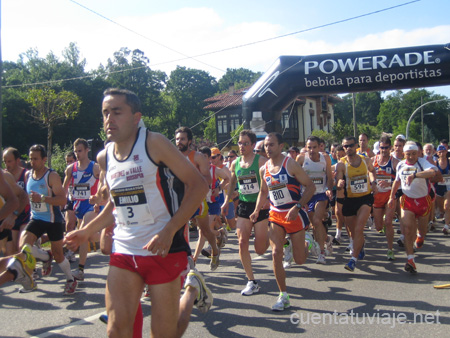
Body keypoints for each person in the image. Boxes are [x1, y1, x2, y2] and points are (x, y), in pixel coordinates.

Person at [65, 88, 212, 337]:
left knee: (166, 333)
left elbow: (198, 185)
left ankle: (192, 289)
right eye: (105, 113)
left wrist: (169, 231)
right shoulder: (104, 157)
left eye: (116, 112)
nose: (109, 119)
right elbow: (116, 205)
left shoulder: (154, 143)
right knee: (116, 330)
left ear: (136, 117)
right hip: (124, 249)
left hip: (163, 248)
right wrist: (86, 231)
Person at [249, 133, 316, 311]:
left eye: (271, 145)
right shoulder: (264, 169)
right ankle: (283, 296)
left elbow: (311, 186)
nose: (268, 149)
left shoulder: (290, 164)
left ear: (281, 146)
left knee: (300, 260)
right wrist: (256, 210)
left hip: (294, 215)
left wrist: (298, 207)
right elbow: (263, 192)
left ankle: (308, 243)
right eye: (265, 146)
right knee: (276, 253)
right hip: (276, 216)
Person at [22, 144, 77, 294]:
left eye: (36, 159)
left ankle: (70, 278)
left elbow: (62, 200)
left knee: (58, 254)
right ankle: (45, 257)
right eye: (30, 158)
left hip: (53, 220)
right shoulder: (28, 175)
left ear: (44, 159)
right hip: (37, 218)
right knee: (24, 246)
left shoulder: (51, 176)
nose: (32, 162)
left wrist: (43, 198)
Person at [221, 129, 269, 296]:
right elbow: (232, 183)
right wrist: (226, 202)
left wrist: (267, 201)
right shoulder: (235, 163)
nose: (241, 146)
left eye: (245, 143)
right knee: (242, 242)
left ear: (253, 144)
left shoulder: (262, 161)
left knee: (260, 250)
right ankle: (251, 281)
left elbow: (269, 183)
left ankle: (271, 237)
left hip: (261, 206)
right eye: (240, 143)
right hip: (244, 206)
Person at [174, 127, 221, 269]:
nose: (179, 142)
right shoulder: (172, 156)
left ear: (189, 141)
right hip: (179, 200)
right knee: (178, 229)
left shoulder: (198, 157)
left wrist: (193, 184)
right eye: (177, 139)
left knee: (205, 230)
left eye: (182, 139)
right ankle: (187, 260)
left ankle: (214, 249)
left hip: (196, 199)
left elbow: (207, 178)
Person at [388, 141, 437, 273]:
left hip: (423, 201)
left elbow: (432, 173)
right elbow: (397, 182)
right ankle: (410, 259)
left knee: (421, 231)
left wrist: (414, 175)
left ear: (418, 153)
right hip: (407, 200)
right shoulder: (401, 164)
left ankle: (420, 235)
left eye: (414, 154)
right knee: (408, 229)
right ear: (404, 154)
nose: (411, 157)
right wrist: (391, 197)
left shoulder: (422, 162)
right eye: (408, 154)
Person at [336, 136, 378, 272]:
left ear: (356, 146)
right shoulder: (341, 164)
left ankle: (353, 260)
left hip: (365, 198)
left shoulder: (365, 160)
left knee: (359, 228)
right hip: (349, 200)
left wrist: (373, 182)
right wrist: (339, 183)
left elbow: (372, 171)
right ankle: (360, 245)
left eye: (350, 145)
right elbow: (338, 181)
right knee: (354, 232)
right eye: (345, 146)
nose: (348, 148)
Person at [63, 138, 101, 281]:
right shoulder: (70, 169)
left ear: (87, 150)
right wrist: (62, 200)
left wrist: (98, 197)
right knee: (87, 236)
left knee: (83, 230)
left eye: (80, 151)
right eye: (75, 151)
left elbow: (105, 182)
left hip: (92, 205)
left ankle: (80, 269)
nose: (77, 154)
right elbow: (64, 187)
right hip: (78, 205)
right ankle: (108, 238)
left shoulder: (95, 167)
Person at [296, 136, 333, 264]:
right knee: (314, 224)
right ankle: (326, 238)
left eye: (314, 147)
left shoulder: (325, 158)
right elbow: (296, 178)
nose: (311, 150)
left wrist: (329, 188)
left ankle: (321, 253)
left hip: (320, 194)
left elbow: (329, 176)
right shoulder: (301, 159)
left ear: (319, 147)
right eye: (309, 147)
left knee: (317, 220)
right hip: (306, 195)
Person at [372, 136, 399, 260]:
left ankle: (390, 250)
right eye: (381, 148)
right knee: (378, 227)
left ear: (390, 148)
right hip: (377, 198)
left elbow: (400, 181)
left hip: (389, 197)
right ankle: (382, 223)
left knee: (388, 222)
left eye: (386, 148)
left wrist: (389, 183)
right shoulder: (373, 161)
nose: (383, 150)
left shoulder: (395, 162)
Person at [3, 147, 31, 254]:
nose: (7, 164)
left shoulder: (26, 174)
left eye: (9, 161)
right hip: (11, 217)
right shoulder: (5, 177)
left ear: (17, 161)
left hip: (26, 214)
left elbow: (27, 196)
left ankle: (30, 268)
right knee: (11, 252)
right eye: (4, 161)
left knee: (22, 247)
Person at [434, 145, 450, 235]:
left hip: (448, 186)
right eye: (439, 152)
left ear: (446, 152)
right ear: (437, 153)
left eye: (443, 151)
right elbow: (432, 177)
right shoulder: (435, 163)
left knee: (446, 206)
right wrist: (438, 178)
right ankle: (444, 217)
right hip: (438, 187)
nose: (442, 153)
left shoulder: (449, 161)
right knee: (441, 208)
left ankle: (446, 226)